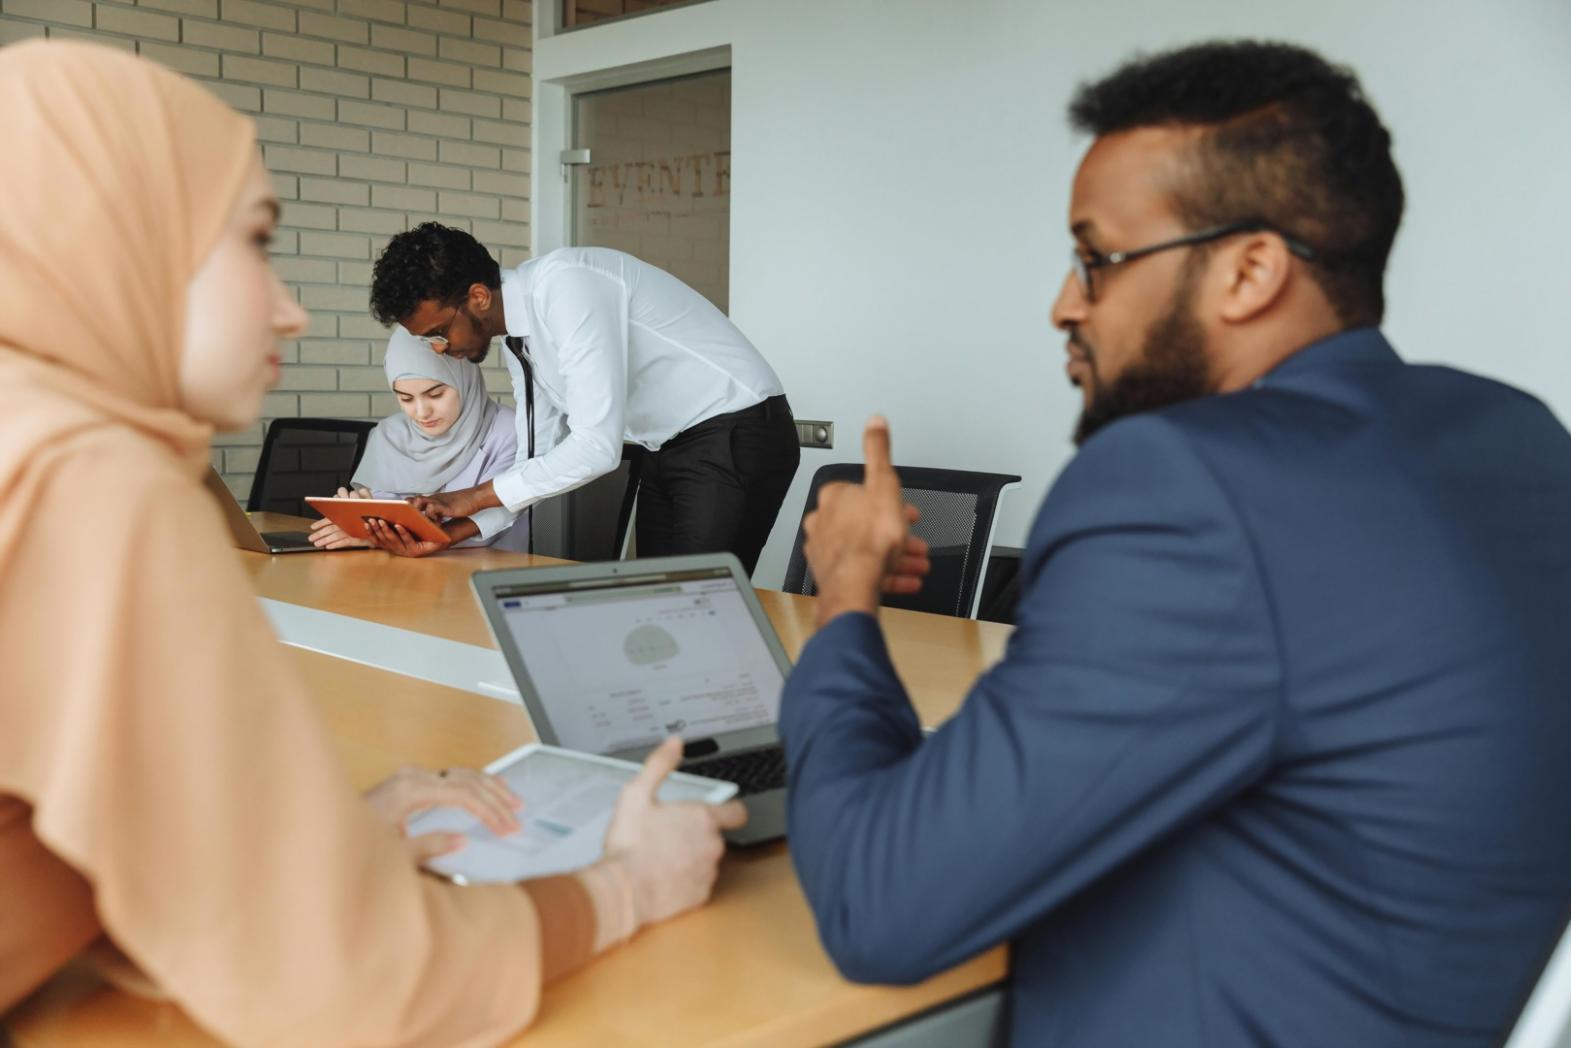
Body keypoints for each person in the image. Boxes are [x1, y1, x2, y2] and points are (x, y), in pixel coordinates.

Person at [780, 40, 1571, 1046]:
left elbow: (875, 903)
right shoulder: (1517, 434)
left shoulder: (1183, 485)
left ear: (1248, 269)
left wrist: (845, 593)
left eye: (1095, 259)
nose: (1064, 305)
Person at [0, 41, 743, 1045]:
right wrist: (622, 887)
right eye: (252, 243)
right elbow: (348, 985)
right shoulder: (92, 478)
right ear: (117, 242)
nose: (289, 310)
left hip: (715, 433)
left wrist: (328, 830)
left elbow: (114, 846)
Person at [365, 225, 800, 574]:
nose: (441, 348)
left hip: (738, 429)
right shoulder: (519, 341)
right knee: (662, 606)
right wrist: (453, 530)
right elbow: (535, 462)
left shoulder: (566, 285)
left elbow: (596, 447)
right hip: (667, 445)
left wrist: (469, 497)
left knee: (700, 606)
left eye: (439, 333)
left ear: (478, 297)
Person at [308, 326, 530, 552]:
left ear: (465, 379)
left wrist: (384, 534)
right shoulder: (389, 434)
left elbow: (494, 519)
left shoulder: (509, 431)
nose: (422, 412)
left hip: (486, 574)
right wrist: (362, 521)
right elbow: (387, 513)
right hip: (401, 575)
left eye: (436, 395)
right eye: (406, 399)